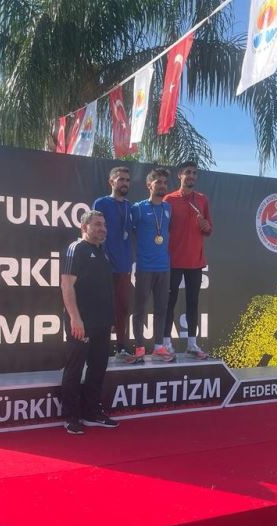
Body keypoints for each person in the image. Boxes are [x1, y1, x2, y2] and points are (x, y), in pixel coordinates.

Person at [60, 210, 119, 435]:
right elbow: (67, 286)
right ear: (84, 227)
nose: (103, 229)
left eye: (104, 225)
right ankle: (71, 417)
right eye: (97, 225)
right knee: (74, 369)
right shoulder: (76, 249)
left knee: (98, 367)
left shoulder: (103, 252)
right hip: (81, 323)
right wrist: (75, 318)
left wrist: (110, 319)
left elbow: (105, 289)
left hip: (102, 323)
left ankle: (92, 413)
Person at [164, 160, 212, 359]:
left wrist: (204, 225)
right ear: (180, 175)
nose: (191, 176)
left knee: (193, 303)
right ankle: (166, 343)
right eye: (188, 172)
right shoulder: (169, 199)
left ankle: (192, 344)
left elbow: (209, 229)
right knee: (169, 302)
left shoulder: (202, 199)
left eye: (194, 173)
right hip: (173, 261)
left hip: (195, 261)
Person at [129, 169, 175, 363]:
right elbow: (129, 233)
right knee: (139, 309)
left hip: (164, 267)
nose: (162, 185)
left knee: (161, 309)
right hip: (144, 267)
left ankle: (158, 347)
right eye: (158, 182)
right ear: (149, 185)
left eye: (164, 182)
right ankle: (139, 348)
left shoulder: (168, 208)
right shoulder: (138, 208)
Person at [93, 167, 134, 361]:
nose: (125, 183)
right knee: (101, 308)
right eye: (121, 179)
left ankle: (121, 349)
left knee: (122, 308)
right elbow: (93, 231)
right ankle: (97, 349)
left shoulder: (130, 207)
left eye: (127, 180)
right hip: (105, 265)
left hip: (124, 265)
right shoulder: (101, 203)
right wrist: (100, 255)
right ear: (112, 182)